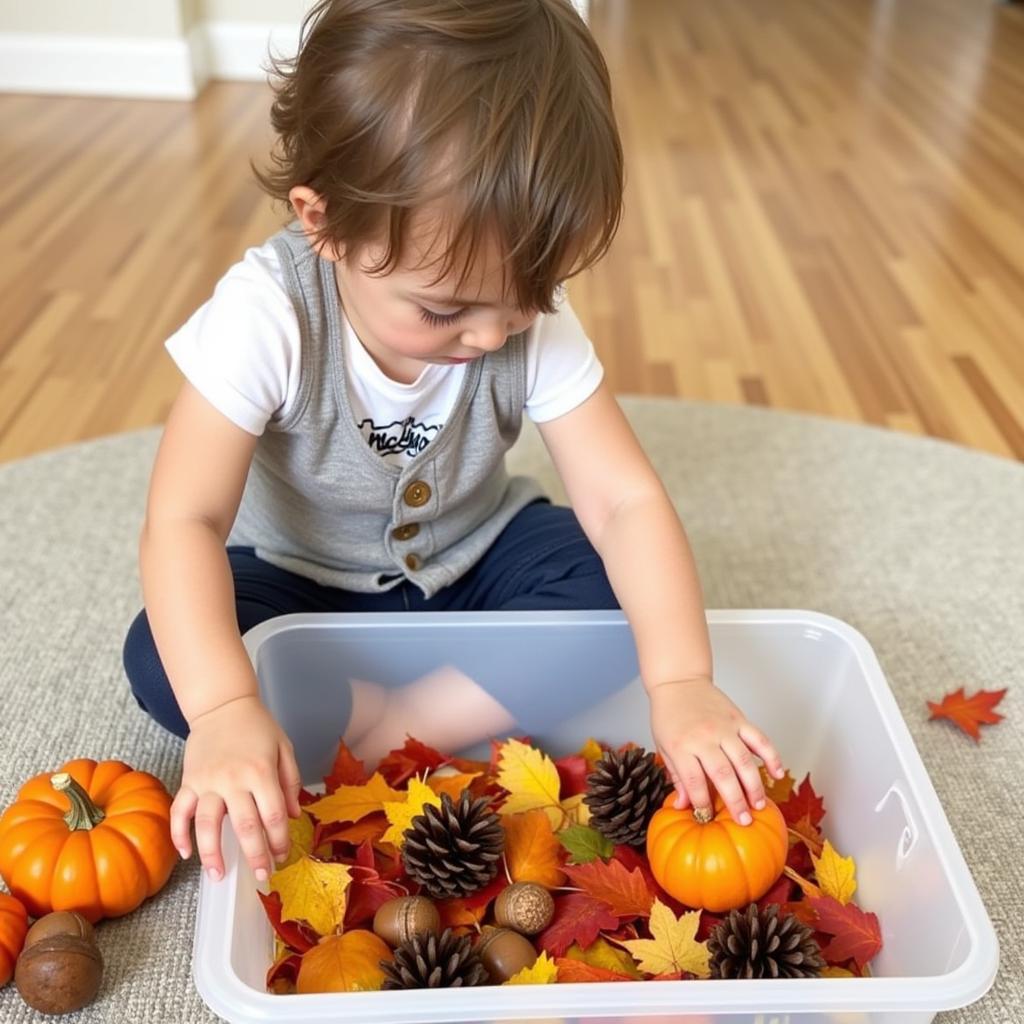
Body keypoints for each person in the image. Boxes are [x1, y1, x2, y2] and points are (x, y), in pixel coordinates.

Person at [123, 0, 785, 886]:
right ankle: (430, 703)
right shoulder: (267, 313)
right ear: (322, 224)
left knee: (611, 592)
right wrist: (226, 709)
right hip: (303, 584)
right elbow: (185, 521)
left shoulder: (520, 313)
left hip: (476, 561)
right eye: (443, 311)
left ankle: (404, 720)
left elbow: (623, 502)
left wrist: (681, 683)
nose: (491, 336)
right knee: (163, 656)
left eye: (528, 300)